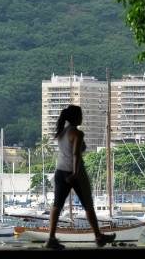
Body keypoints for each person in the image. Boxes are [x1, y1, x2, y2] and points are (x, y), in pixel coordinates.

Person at [45, 105, 116, 249]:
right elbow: (76, 154)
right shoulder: (77, 133)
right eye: (81, 115)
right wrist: (76, 173)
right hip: (75, 172)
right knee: (88, 205)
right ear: (76, 117)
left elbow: (73, 150)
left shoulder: (62, 132)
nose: (82, 117)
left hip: (60, 171)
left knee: (57, 205)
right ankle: (98, 237)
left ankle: (51, 238)